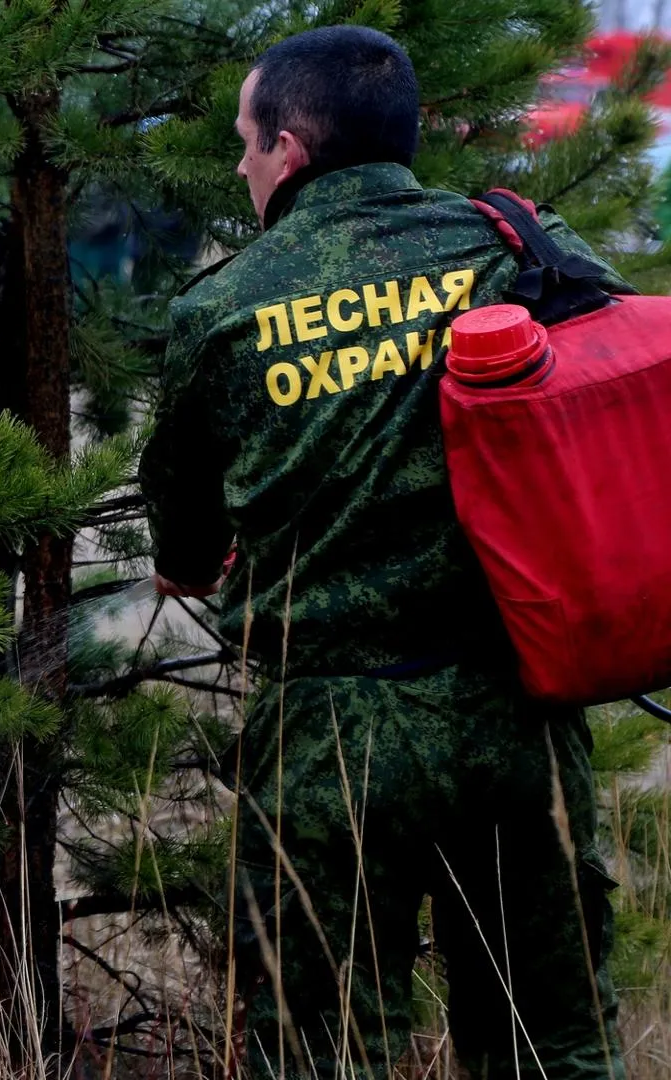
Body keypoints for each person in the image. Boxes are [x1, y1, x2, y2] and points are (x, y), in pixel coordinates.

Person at [138, 25, 633, 1080]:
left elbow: (182, 545)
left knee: (321, 1054)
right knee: (554, 1047)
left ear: (292, 151)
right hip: (516, 715)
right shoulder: (514, 243)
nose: (239, 164)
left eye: (245, 141)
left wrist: (202, 560)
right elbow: (622, 382)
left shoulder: (221, 310)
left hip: (330, 740)